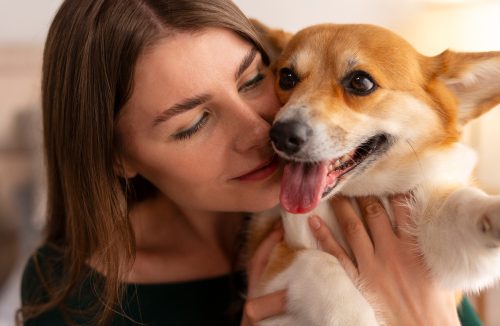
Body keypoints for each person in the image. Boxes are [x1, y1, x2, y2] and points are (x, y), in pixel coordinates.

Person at [19, 0, 482, 325]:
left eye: (254, 80)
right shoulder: (65, 291)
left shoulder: (377, 206)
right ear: (118, 158)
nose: (266, 130)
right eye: (193, 123)